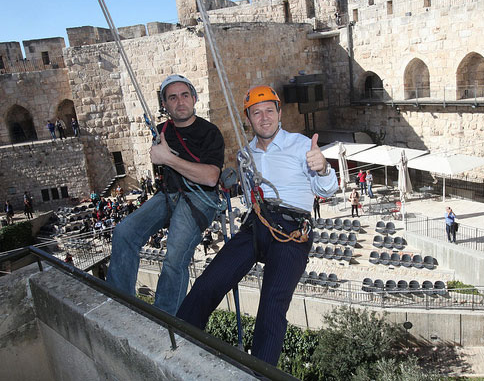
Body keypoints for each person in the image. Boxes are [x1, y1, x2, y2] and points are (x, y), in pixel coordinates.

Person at [176, 85, 337, 365]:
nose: (264, 118)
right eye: (256, 113)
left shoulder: (301, 146)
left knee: (271, 309)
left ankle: (261, 373)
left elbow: (326, 191)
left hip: (292, 230)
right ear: (248, 119)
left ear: (279, 114)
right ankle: (179, 340)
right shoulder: (245, 155)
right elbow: (252, 196)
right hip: (256, 224)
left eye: (269, 111)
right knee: (208, 283)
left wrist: (322, 168)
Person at [107, 74, 224, 315]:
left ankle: (165, 316)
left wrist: (168, 158)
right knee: (124, 232)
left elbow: (211, 177)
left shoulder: (210, 132)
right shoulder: (162, 131)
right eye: (173, 98)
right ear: (165, 105)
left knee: (175, 256)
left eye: (184, 95)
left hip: (200, 198)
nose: (180, 102)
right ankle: (119, 302)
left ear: (193, 99)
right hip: (169, 195)